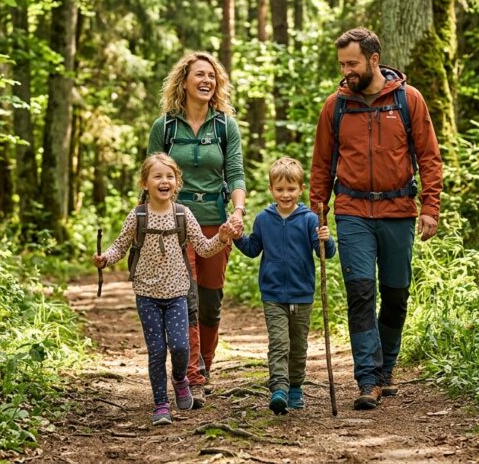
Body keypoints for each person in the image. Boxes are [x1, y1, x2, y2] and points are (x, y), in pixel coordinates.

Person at [309, 28, 443, 411]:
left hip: (398, 210)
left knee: (397, 293)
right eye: (341, 64)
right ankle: (367, 378)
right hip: (352, 213)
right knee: (361, 292)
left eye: (352, 63)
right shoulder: (335, 106)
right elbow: (321, 165)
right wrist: (317, 211)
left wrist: (430, 207)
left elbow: (429, 157)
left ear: (372, 59)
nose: (346, 71)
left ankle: (387, 370)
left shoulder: (408, 100)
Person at [93, 153, 236, 426]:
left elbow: (205, 248)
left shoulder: (183, 214)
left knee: (181, 347)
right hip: (146, 294)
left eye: (169, 176)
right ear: (145, 183)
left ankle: (180, 379)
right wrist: (105, 259)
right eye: (157, 176)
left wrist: (222, 237)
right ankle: (161, 404)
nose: (164, 181)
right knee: (157, 350)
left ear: (177, 182)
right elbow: (120, 246)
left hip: (177, 293)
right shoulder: (138, 216)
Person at [148, 51, 246, 404]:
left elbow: (235, 172)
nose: (207, 81)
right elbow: (150, 174)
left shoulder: (224, 126)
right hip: (173, 223)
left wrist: (237, 211)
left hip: (215, 221)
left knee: (209, 298)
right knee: (185, 297)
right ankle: (191, 375)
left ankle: (204, 363)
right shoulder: (165, 127)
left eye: (212, 76)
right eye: (199, 75)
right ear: (184, 82)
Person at [233, 157, 335, 414]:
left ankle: (296, 388)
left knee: (298, 345)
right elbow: (253, 248)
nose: (285, 194)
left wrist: (327, 239)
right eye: (280, 189)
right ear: (271, 190)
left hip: (302, 293)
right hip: (273, 293)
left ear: (300, 189)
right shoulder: (264, 219)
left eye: (291, 189)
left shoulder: (310, 219)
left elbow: (326, 254)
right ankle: (278, 388)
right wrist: (237, 238)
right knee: (279, 343)